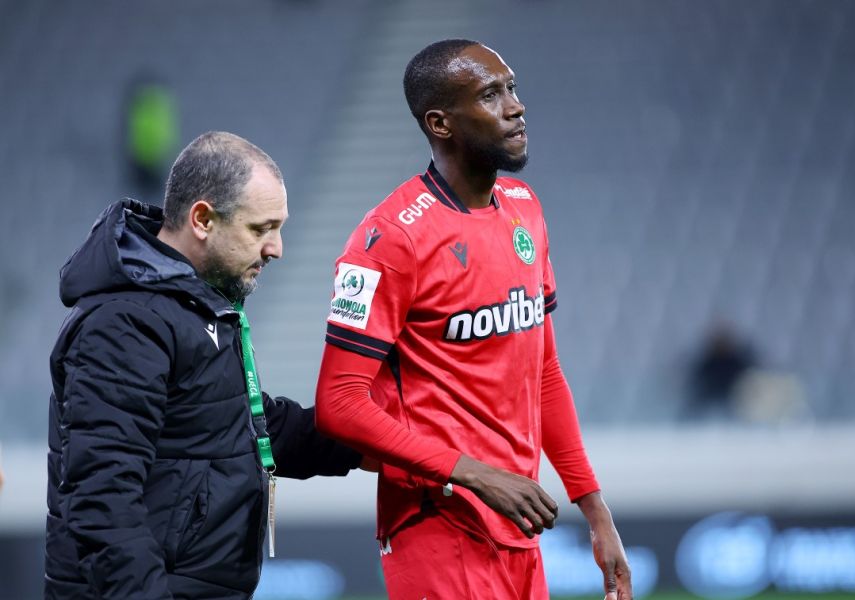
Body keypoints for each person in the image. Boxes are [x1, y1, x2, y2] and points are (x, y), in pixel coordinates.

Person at [315, 40, 631, 599]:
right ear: (440, 123)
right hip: (439, 524)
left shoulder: (525, 207)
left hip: (518, 523)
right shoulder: (391, 238)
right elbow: (339, 404)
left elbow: (544, 374)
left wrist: (594, 509)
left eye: (512, 88)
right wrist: (474, 474)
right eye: (490, 95)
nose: (516, 106)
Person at [46, 131, 362, 599]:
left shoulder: (191, 305)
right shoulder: (125, 323)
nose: (276, 248)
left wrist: (368, 442)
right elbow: (102, 498)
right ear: (202, 219)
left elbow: (241, 427)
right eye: (261, 229)